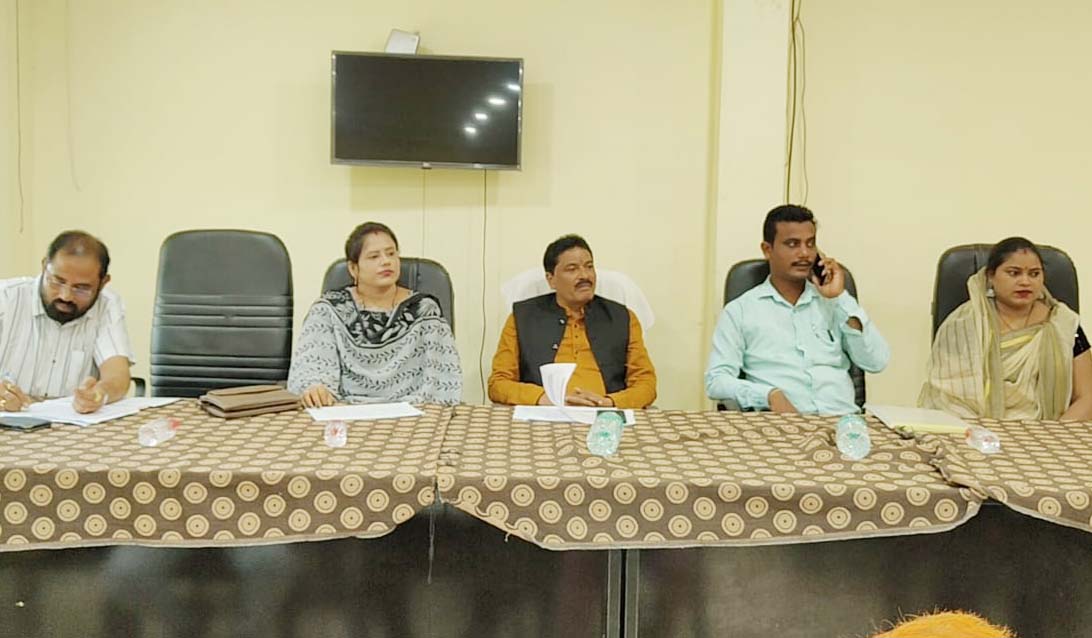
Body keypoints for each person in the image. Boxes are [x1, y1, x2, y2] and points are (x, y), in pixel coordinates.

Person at [705, 205, 889, 415]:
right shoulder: (740, 311)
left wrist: (840, 297)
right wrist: (768, 395)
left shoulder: (835, 304)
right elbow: (716, 380)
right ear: (767, 250)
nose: (805, 254)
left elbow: (876, 362)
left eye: (810, 244)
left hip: (842, 421)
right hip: (780, 425)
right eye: (792, 244)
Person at [288, 221, 461, 406]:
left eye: (391, 253)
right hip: (343, 410)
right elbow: (311, 370)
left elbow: (442, 379)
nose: (386, 261)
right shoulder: (328, 309)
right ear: (353, 268)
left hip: (412, 411)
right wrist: (315, 390)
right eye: (374, 256)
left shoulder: (425, 310)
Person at [919, 237, 1092, 421]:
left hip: (1047, 430)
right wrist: (980, 432)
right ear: (990, 276)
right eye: (1014, 273)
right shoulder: (963, 324)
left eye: (1034, 274)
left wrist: (1053, 432)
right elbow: (947, 397)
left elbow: (1087, 397)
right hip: (972, 428)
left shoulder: (1063, 324)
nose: (1025, 282)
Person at [488, 234, 657, 408]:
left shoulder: (623, 318)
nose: (584, 275)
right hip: (544, 415)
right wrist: (544, 399)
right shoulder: (522, 317)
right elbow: (498, 384)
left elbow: (646, 384)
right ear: (551, 279)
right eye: (572, 269)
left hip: (605, 415)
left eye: (589, 266)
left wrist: (608, 402)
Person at [0, 230, 133, 414]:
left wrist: (99, 394)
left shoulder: (107, 305)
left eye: (81, 288)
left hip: (72, 424)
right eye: (57, 281)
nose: (65, 296)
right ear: (44, 266)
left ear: (103, 283)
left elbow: (117, 375)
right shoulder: (5, 298)